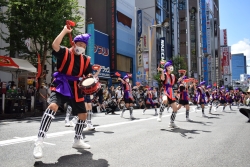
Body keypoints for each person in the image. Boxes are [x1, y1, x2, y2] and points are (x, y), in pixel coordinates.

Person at [33, 25, 93, 159]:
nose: (81, 46)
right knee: (53, 106)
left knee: (83, 114)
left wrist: (90, 80)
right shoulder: (65, 52)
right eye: (79, 44)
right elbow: (55, 45)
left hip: (76, 87)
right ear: (74, 43)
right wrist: (65, 31)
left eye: (83, 45)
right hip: (62, 83)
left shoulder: (86, 60)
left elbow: (88, 75)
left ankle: (77, 140)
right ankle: (39, 141)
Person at [157, 60, 179, 128]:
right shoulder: (165, 74)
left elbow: (177, 81)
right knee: (164, 100)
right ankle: (160, 115)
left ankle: (171, 122)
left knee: (175, 109)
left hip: (171, 91)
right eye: (170, 66)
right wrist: (162, 71)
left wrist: (183, 78)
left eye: (171, 65)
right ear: (166, 67)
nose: (171, 67)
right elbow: (163, 79)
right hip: (165, 90)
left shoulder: (173, 75)